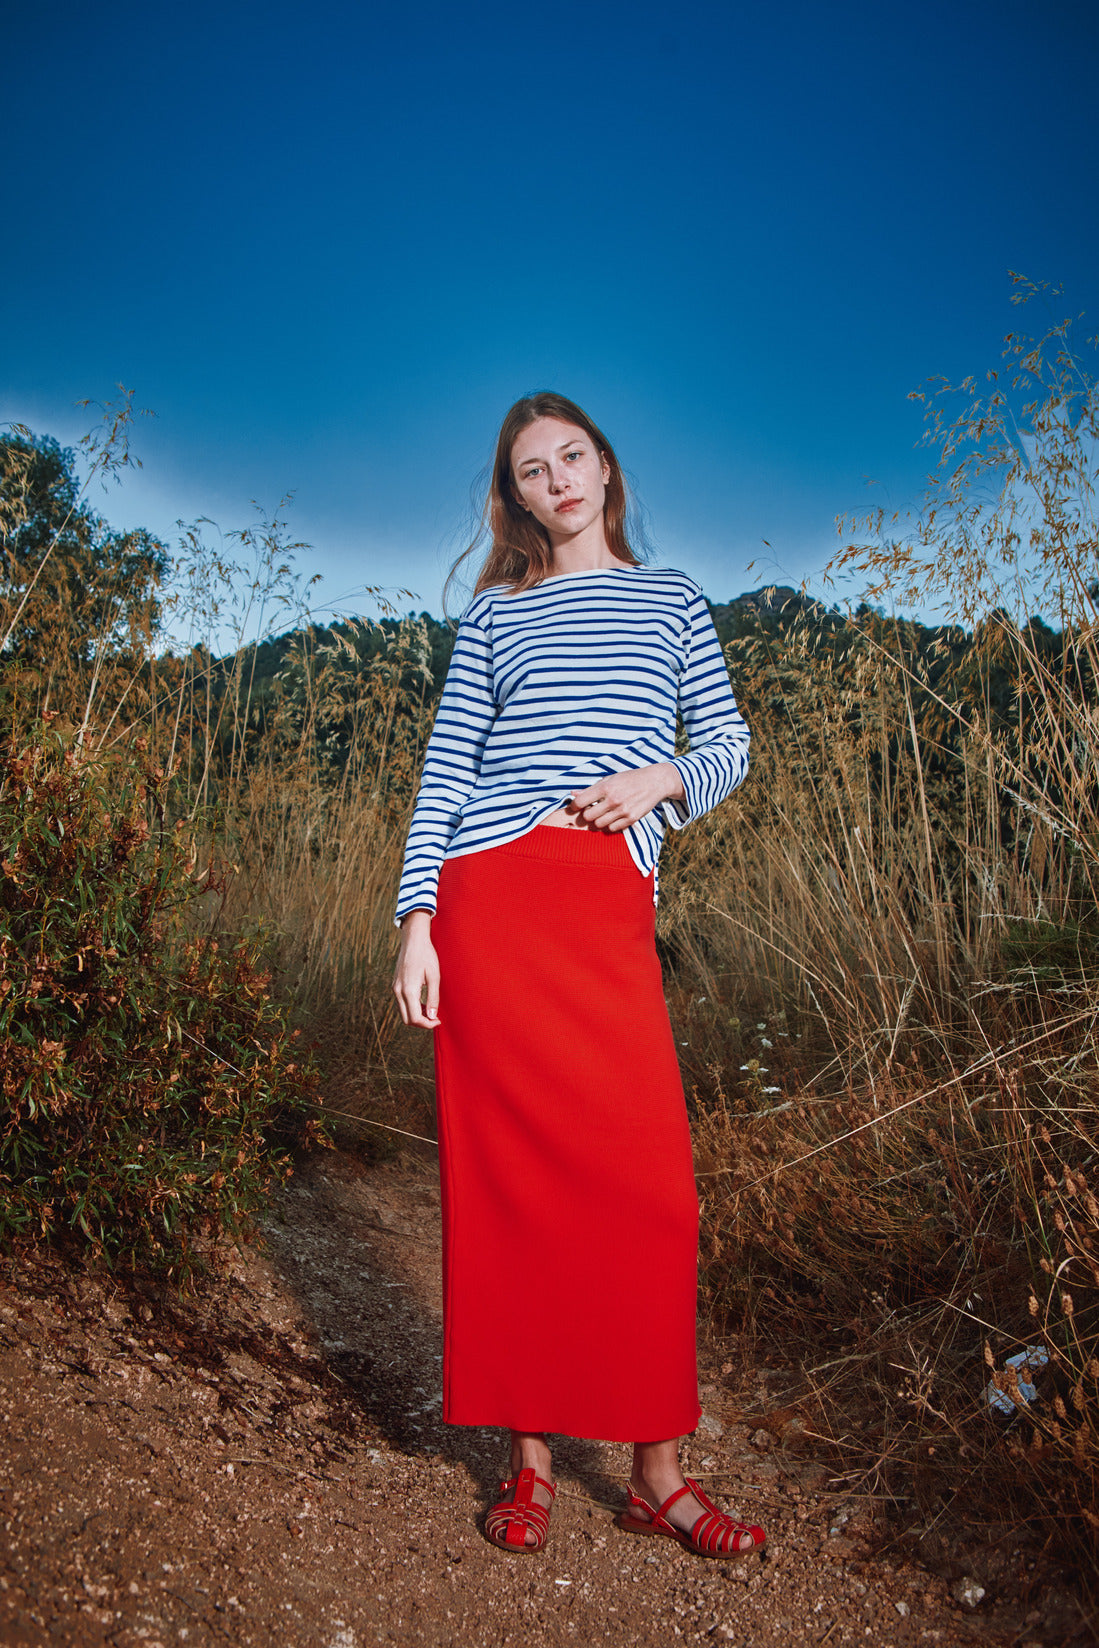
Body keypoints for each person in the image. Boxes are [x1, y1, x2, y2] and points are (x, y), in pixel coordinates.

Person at [392, 392, 763, 1558]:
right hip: (490, 897)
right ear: (515, 496)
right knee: (511, 1191)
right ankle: (531, 1460)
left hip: (604, 903)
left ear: (604, 471)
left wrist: (657, 784)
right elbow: (447, 768)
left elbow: (728, 745)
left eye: (571, 457)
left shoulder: (671, 599)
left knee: (652, 1190)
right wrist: (417, 921)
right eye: (529, 469)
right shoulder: (494, 615)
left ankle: (658, 1468)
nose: (554, 479)